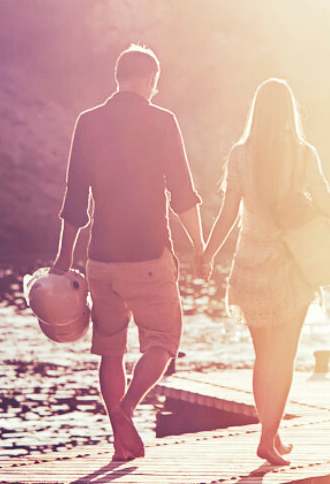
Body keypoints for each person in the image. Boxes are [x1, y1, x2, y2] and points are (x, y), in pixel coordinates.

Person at [52, 44, 206, 462]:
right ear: (150, 79)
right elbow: (183, 195)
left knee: (110, 349)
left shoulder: (88, 122)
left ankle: (120, 441)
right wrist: (201, 248)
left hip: (100, 259)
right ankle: (127, 410)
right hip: (150, 258)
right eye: (155, 82)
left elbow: (75, 198)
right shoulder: (162, 121)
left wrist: (64, 258)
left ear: (118, 77)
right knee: (163, 341)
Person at [199, 78, 330, 466]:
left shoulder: (239, 155)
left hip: (248, 267)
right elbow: (326, 202)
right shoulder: (303, 154)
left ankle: (272, 433)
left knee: (264, 358)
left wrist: (207, 253)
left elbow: (228, 214)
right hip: (291, 268)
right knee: (284, 358)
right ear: (289, 112)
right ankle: (267, 439)